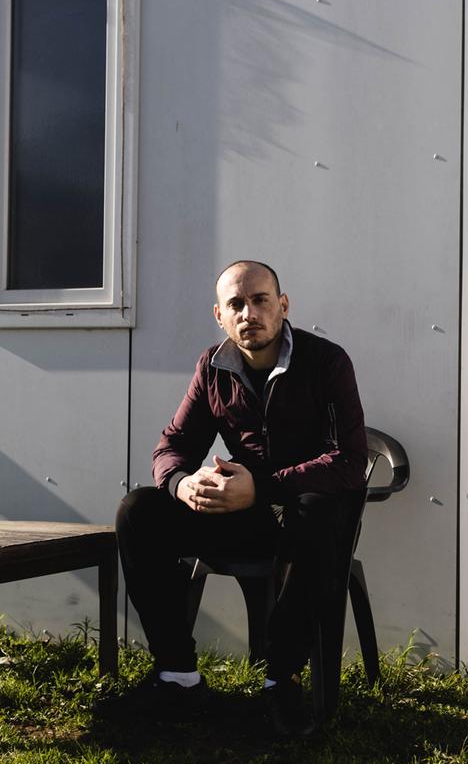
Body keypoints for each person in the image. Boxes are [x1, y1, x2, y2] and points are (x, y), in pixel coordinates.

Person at [114, 260, 368, 735]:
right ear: (220, 315)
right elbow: (172, 445)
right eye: (236, 304)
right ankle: (179, 678)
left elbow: (349, 461)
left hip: (313, 526)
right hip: (246, 519)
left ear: (283, 305)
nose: (249, 313)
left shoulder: (327, 362)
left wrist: (263, 486)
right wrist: (181, 483)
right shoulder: (213, 367)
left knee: (315, 508)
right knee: (139, 510)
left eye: (260, 300)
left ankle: (281, 681)